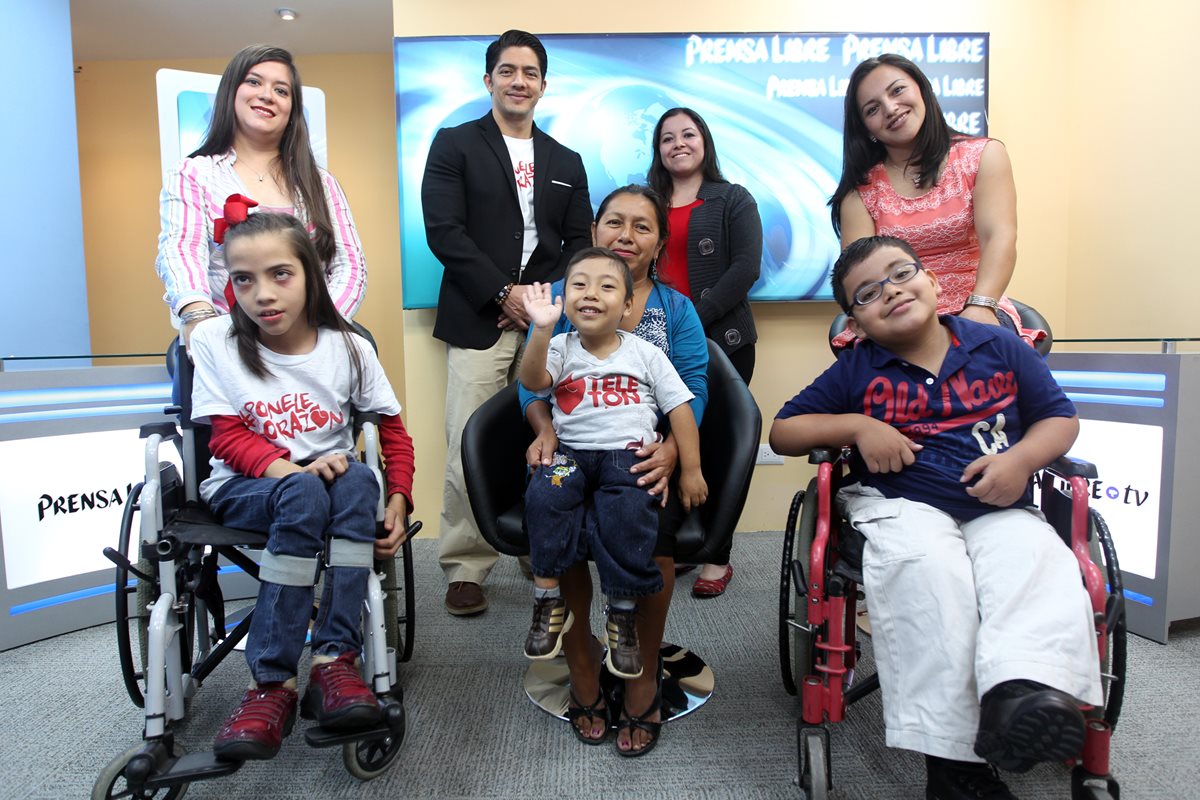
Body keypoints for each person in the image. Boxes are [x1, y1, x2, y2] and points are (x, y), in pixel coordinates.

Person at [769, 235, 1101, 799]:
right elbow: (784, 430)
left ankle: (1019, 695)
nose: (892, 292)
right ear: (856, 324)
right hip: (902, 506)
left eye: (901, 274)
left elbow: (1059, 420)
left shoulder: (998, 347)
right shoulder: (858, 369)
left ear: (934, 280)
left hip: (996, 504)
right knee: (929, 572)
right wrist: (858, 427)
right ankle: (953, 767)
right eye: (869, 293)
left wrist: (1020, 460)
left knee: (1036, 558)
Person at [188, 212, 414, 761]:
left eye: (280, 274)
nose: (261, 294)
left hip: (329, 487)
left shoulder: (349, 347)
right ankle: (270, 683)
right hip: (247, 486)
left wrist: (400, 503)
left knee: (359, 479)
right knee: (308, 492)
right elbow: (226, 438)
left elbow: (392, 433)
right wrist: (294, 473)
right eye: (244, 279)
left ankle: (333, 661)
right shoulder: (216, 338)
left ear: (312, 274)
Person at [521, 186, 708, 757]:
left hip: (644, 453)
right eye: (615, 223)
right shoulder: (563, 299)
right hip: (571, 451)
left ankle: (641, 678)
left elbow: (691, 388)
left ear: (658, 242)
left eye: (642, 226)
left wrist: (676, 453)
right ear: (595, 230)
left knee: (638, 516)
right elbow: (529, 386)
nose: (626, 235)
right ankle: (580, 668)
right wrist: (544, 430)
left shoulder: (673, 310)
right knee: (559, 508)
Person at [421, 29, 592, 618]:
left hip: (549, 321)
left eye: (530, 72)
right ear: (488, 79)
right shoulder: (454, 145)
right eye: (508, 70)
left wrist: (542, 298)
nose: (519, 81)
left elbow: (580, 243)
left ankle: (537, 545)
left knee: (550, 436)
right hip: (478, 316)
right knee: (467, 439)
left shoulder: (566, 161)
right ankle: (466, 566)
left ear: (544, 84)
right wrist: (503, 291)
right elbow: (444, 231)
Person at [156, 44, 367, 348]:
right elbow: (181, 249)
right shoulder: (192, 173)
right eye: (254, 82)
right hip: (225, 333)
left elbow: (350, 265)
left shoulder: (321, 183)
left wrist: (320, 327)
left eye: (281, 91)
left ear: (292, 110)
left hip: (311, 335)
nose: (267, 95)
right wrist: (198, 318)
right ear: (231, 92)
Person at [829, 54, 1033, 349]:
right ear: (867, 129)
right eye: (873, 109)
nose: (890, 108)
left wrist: (981, 306)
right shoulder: (859, 192)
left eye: (897, 90)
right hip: (896, 319)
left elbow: (999, 237)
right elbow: (860, 276)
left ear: (922, 90)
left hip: (976, 305)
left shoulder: (983, 156)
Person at [647, 106, 762, 597]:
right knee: (660, 444)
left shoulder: (732, 198)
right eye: (667, 137)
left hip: (723, 343)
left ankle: (717, 556)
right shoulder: (645, 202)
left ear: (704, 142)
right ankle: (678, 544)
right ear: (657, 149)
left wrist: (690, 319)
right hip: (649, 346)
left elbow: (745, 268)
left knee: (713, 449)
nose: (678, 143)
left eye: (688, 134)